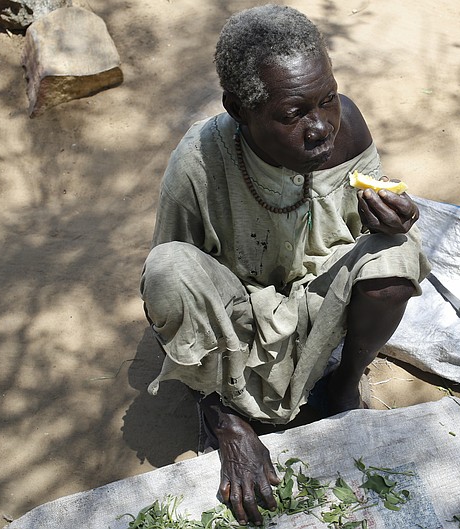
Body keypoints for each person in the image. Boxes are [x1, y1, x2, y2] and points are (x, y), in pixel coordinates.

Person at [140, 4, 430, 526]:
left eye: (328, 98)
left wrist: (395, 220)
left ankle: (342, 385)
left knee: (399, 257)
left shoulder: (348, 129)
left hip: (318, 294)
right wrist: (222, 414)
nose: (321, 127)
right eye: (294, 113)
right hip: (238, 314)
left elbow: (369, 228)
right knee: (167, 269)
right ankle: (226, 414)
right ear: (239, 110)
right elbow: (168, 287)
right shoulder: (198, 162)